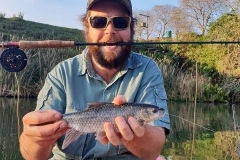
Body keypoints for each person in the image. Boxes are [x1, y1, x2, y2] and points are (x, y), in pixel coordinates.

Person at [19, 0, 170, 159]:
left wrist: (134, 133)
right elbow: (33, 156)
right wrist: (34, 140)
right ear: (87, 27)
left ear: (131, 27)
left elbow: (153, 151)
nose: (110, 31)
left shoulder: (147, 69)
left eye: (120, 22)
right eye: (98, 22)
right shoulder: (61, 73)